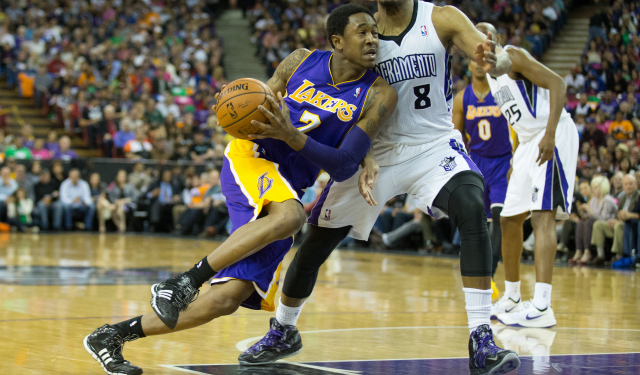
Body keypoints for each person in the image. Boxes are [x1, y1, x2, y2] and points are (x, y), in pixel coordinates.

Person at [84, 5, 397, 375]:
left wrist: (294, 136)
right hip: (252, 157)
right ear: (337, 41)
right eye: (363, 32)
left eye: (375, 32)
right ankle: (184, 282)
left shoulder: (378, 94)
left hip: (288, 184)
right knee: (293, 216)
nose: (372, 39)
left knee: (228, 299)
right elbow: (257, 102)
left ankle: (112, 335)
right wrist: (237, 104)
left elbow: (344, 164)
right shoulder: (300, 61)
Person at [243, 3, 517, 374]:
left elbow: (494, 60)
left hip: (432, 146)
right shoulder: (362, 32)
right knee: (314, 244)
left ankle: (481, 337)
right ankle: (284, 329)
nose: (370, 37)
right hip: (374, 151)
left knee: (471, 204)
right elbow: (344, 95)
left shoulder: (441, 18)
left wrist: (495, 60)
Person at [483, 23, 579, 329]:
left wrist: (549, 135)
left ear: (496, 40)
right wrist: (515, 155)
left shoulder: (514, 57)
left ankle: (542, 306)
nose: (482, 42)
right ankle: (511, 296)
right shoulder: (489, 76)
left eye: (487, 36)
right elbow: (516, 119)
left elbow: (558, 85)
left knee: (541, 217)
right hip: (525, 145)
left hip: (550, 134)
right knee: (509, 219)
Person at [453, 45, 513, 299]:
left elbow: (518, 128)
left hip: (502, 162)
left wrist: (516, 161)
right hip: (476, 163)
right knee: (479, 221)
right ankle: (480, 277)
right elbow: (455, 137)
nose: (478, 65)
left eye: (482, 62)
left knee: (500, 218)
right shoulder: (461, 98)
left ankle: (490, 275)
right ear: (469, 66)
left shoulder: (503, 92)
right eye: (473, 61)